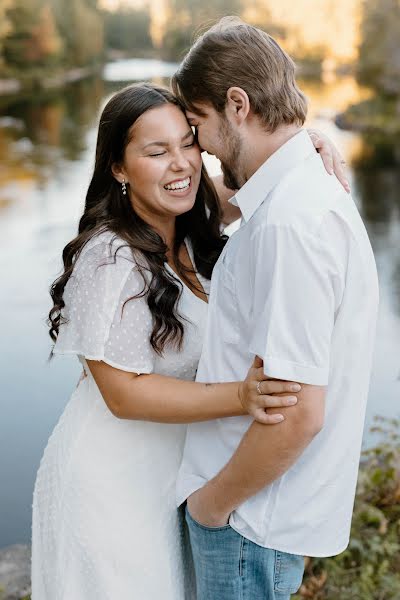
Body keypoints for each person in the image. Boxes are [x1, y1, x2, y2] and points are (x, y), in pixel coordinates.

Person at [31, 82, 345, 599]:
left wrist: (305, 143)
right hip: (110, 483)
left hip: (171, 476)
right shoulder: (109, 259)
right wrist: (240, 396)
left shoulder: (192, 224)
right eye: (156, 152)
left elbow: (268, 175)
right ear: (117, 167)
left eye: (188, 143)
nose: (181, 165)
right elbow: (123, 393)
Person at [172, 17, 379, 600]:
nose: (200, 151)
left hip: (247, 519)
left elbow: (297, 414)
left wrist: (212, 506)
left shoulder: (291, 223)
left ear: (237, 104)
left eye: (198, 127)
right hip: (255, 513)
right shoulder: (297, 192)